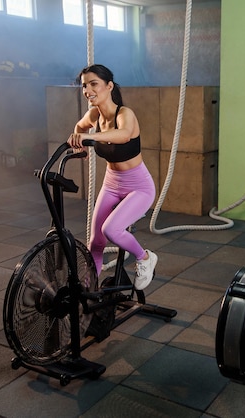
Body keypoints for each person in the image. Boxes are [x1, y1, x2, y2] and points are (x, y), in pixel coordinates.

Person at [68, 64, 157, 290]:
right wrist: (82, 144)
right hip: (111, 184)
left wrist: (91, 137)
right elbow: (79, 126)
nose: (88, 90)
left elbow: (123, 134)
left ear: (109, 86)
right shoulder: (94, 114)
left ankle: (145, 257)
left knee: (112, 230)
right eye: (84, 86)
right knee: (96, 243)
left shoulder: (125, 114)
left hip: (139, 187)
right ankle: (88, 291)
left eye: (93, 84)